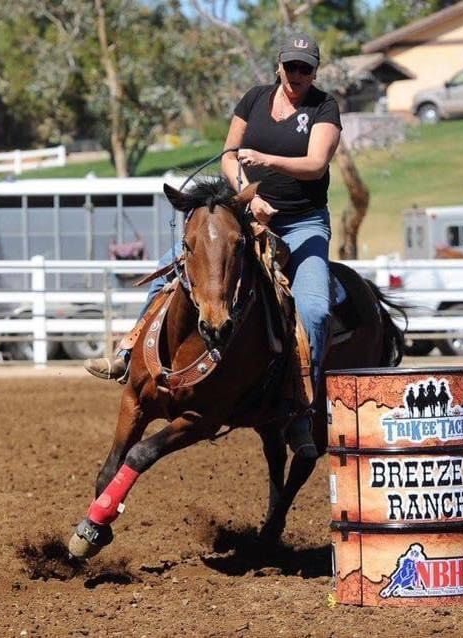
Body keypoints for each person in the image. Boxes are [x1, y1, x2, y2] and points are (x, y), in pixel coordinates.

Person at [85, 32, 342, 459]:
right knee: (172, 270)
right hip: (245, 211)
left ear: (315, 71)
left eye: (306, 68)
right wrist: (247, 195)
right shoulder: (254, 99)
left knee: (314, 307)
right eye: (291, 66)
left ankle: (301, 405)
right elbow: (228, 154)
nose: (297, 74)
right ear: (278, 65)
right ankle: (128, 351)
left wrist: (267, 161)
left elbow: (316, 166)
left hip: (301, 223)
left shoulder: (323, 107)